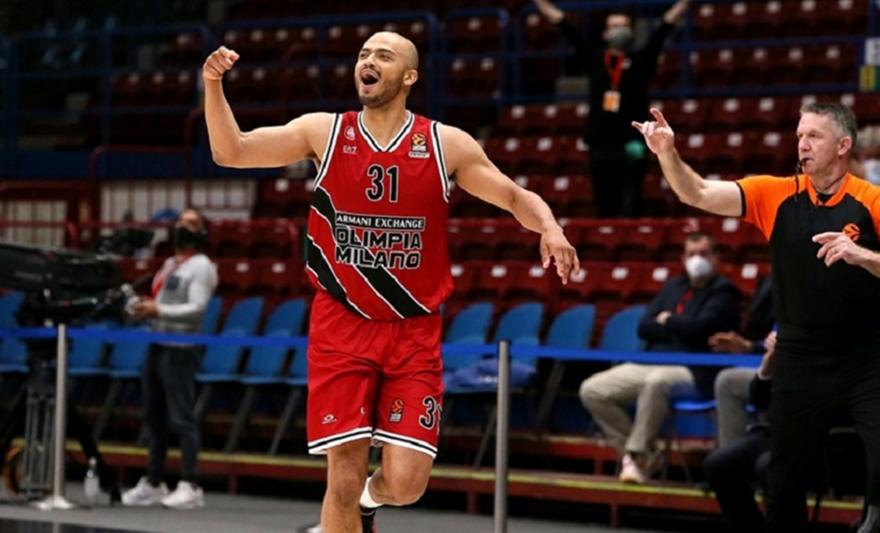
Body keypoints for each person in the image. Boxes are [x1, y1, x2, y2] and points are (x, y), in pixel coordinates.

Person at [202, 32, 579, 533]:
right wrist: (212, 85)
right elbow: (232, 151)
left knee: (406, 484)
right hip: (342, 323)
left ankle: (369, 499)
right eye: (363, 54)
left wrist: (550, 227)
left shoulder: (445, 143)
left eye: (383, 55)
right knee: (340, 478)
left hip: (413, 328)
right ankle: (350, 501)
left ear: (409, 77)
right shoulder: (325, 131)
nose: (369, 61)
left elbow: (513, 196)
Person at [632, 102, 880, 532]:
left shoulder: (871, 200)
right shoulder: (775, 194)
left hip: (865, 357)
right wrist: (667, 153)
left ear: (843, 145)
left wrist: (864, 256)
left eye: (814, 136)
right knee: (782, 485)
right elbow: (698, 193)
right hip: (799, 358)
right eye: (799, 135)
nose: (802, 144)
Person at [579, 231, 740, 484]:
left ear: (715, 257)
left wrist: (669, 320)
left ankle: (636, 456)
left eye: (703, 253)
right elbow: (644, 327)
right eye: (691, 254)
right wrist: (680, 325)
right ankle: (647, 457)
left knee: (657, 382)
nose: (697, 259)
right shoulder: (672, 287)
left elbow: (702, 329)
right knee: (593, 389)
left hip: (695, 370)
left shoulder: (725, 292)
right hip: (652, 361)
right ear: (683, 258)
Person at [531, 0, 691, 217]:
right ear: (605, 33)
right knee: (603, 202)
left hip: (633, 142)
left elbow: (665, 27)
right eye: (614, 26)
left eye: (624, 26)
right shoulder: (594, 58)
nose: (619, 30)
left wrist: (683, 4)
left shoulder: (641, 59)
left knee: (632, 200)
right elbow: (565, 25)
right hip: (599, 143)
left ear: (631, 31)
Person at [121, 207, 217, 510]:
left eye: (191, 223)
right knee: (155, 418)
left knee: (182, 418)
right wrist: (143, 307)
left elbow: (197, 309)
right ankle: (154, 482)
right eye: (180, 221)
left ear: (201, 232)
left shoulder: (202, 267)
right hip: (157, 343)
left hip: (181, 349)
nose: (182, 227)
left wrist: (158, 310)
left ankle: (190, 484)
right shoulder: (170, 264)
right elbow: (160, 301)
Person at [704, 331, 776, 533]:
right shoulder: (790, 323)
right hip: (779, 431)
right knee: (719, 464)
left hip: (820, 434)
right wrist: (768, 363)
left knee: (769, 466)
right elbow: (759, 399)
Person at [709, 275, 774, 447]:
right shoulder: (773, 284)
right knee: (728, 380)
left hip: (807, 370)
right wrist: (749, 346)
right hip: (776, 365)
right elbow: (774, 341)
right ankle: (732, 456)